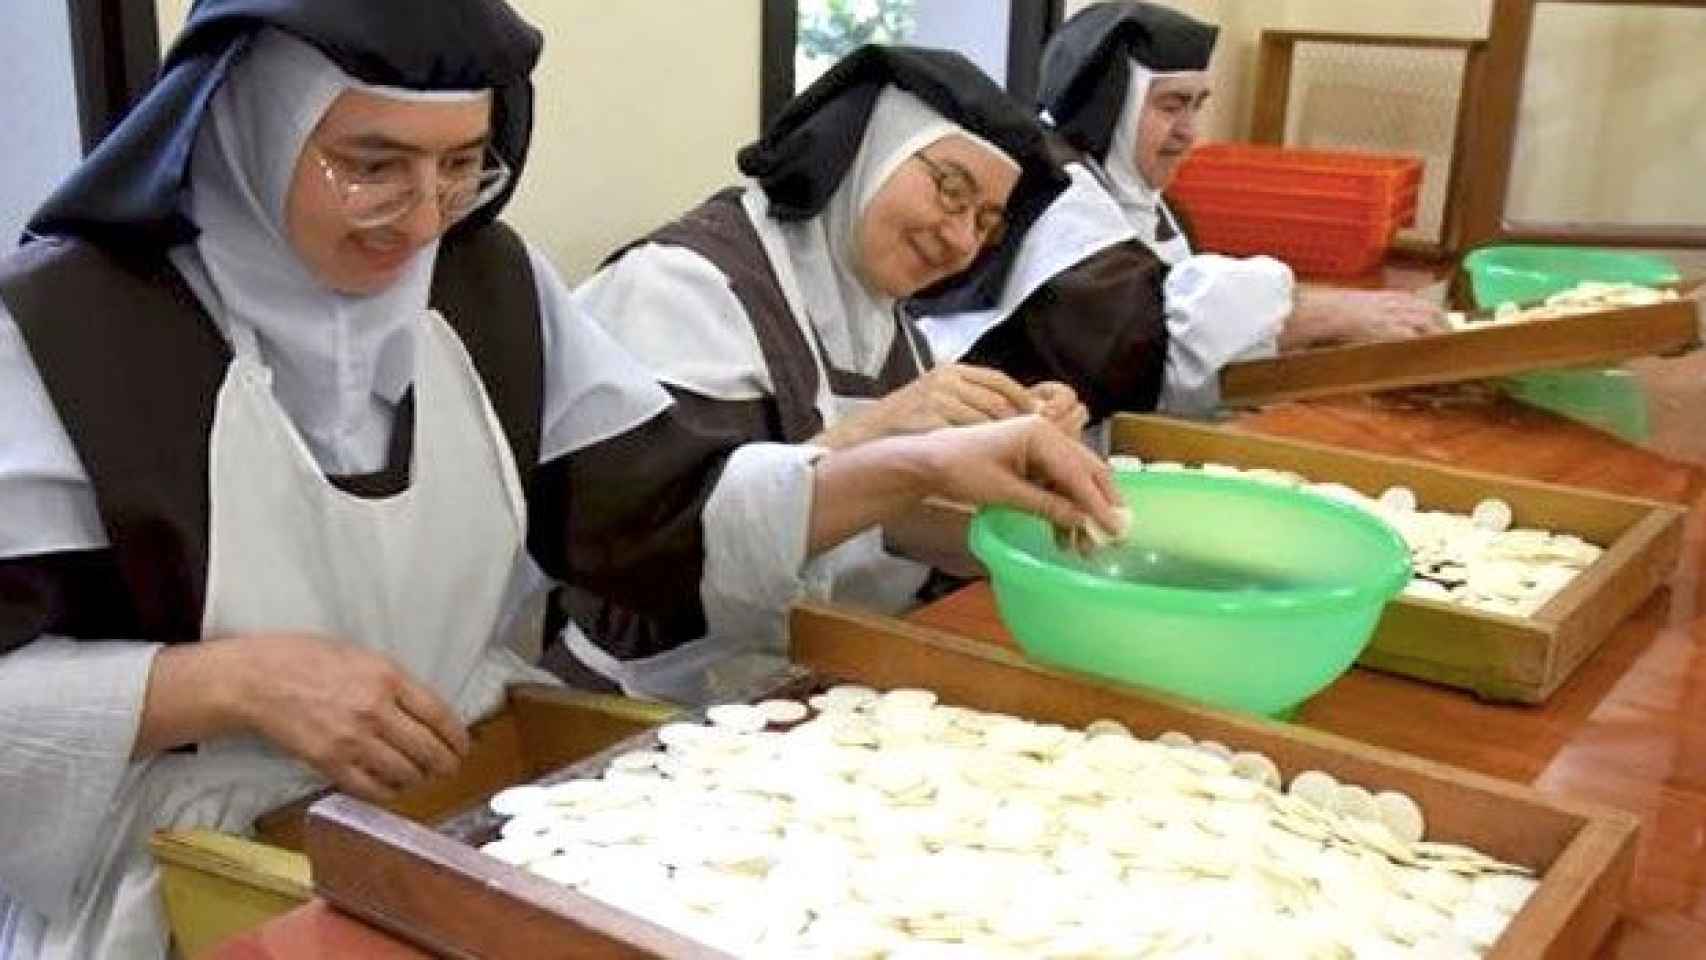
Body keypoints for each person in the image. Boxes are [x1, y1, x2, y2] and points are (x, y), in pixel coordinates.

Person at [0, 4, 1121, 957]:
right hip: (186, 887)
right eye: (371, 164)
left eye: (459, 165)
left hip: (459, 823)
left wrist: (916, 464)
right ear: (241, 125)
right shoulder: (70, 331)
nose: (421, 217)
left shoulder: (483, 287)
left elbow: (662, 521)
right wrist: (226, 684)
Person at [564, 46, 1097, 703]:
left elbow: (877, 525)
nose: (961, 240)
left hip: (815, 677)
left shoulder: (887, 320)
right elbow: (658, 551)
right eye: (951, 190)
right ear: (870, 148)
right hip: (643, 704)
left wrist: (1015, 491)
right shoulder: (681, 286)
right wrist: (883, 432)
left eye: (986, 223)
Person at [915, 1, 1448, 420]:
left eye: (1198, 106)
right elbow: (1141, 336)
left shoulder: (1161, 211)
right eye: (1171, 105)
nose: (1190, 132)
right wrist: (1320, 314)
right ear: (1110, 106)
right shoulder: (1055, 196)